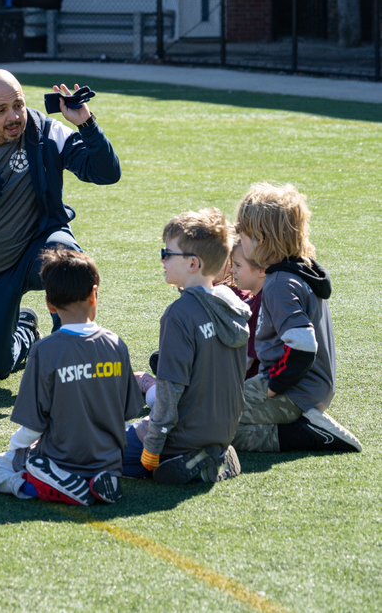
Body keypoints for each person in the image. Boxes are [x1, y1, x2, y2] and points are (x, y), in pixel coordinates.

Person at [0, 69, 121, 380]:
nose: (14, 116)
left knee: (68, 263)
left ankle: (69, 354)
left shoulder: (45, 131)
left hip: (37, 250)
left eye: (18, 105)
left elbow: (107, 173)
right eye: (0, 111)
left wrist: (86, 124)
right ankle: (26, 330)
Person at [0, 248, 142, 505]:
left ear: (49, 305)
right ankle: (97, 480)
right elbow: (129, 410)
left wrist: (15, 447)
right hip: (108, 461)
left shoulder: (45, 350)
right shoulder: (115, 344)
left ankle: (47, 487)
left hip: (59, 459)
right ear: (94, 295)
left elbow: (33, 425)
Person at [123, 208, 249, 485]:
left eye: (167, 253)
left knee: (96, 450)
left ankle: (183, 459)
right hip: (222, 432)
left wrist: (153, 449)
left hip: (181, 437)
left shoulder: (179, 314)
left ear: (192, 264)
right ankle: (214, 455)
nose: (163, 260)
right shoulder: (234, 308)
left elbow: (169, 393)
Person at [233, 182, 362, 453]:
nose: (238, 237)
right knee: (219, 411)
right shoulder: (299, 268)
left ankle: (308, 433)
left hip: (292, 391)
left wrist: (272, 386)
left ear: (261, 239)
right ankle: (306, 422)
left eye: (242, 232)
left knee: (216, 425)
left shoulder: (279, 282)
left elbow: (302, 346)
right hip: (310, 387)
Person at [230, 236, 265, 380]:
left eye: (238, 265)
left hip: (251, 386)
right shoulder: (260, 297)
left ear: (261, 269)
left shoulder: (258, 306)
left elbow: (244, 362)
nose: (232, 270)